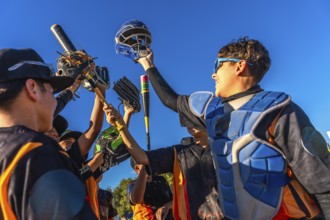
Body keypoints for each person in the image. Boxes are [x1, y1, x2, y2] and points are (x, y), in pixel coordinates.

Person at [135, 37, 330, 219]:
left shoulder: (279, 109)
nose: (213, 74)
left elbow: (321, 179)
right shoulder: (213, 113)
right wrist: (147, 64)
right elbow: (171, 100)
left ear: (240, 66)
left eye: (217, 66)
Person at [0, 48, 97, 219]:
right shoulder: (36, 152)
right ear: (32, 89)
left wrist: (74, 85)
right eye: (51, 91)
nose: (53, 101)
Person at [104, 106, 222, 219]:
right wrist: (121, 124)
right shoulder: (133, 184)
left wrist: (167, 206)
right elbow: (136, 199)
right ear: (136, 169)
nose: (189, 123)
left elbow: (176, 199)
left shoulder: (160, 180)